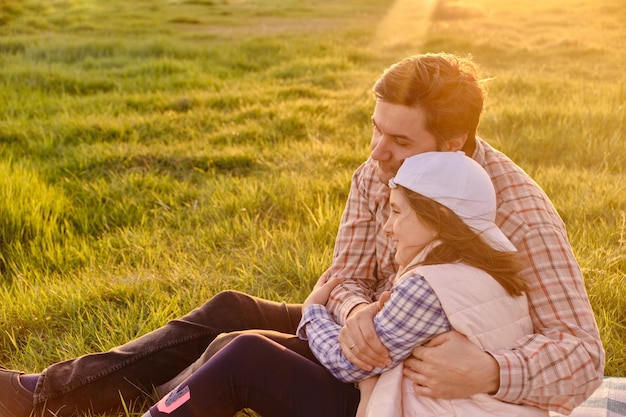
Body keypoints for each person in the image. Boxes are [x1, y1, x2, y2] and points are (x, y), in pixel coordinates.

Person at [0, 52, 604, 417]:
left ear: (453, 146)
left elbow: (583, 354)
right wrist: (357, 308)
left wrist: (490, 370)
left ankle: (166, 397)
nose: (377, 154)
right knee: (231, 309)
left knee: (243, 347)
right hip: (374, 331)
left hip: (416, 368)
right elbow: (343, 274)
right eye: (376, 131)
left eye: (399, 141)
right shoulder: (379, 173)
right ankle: (45, 395)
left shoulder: (521, 211)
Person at [139, 151, 550, 417]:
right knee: (244, 342)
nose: (388, 228)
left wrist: (313, 309)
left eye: (397, 213)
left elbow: (347, 363)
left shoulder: (430, 286)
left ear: (436, 220)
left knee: (248, 357)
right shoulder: (490, 267)